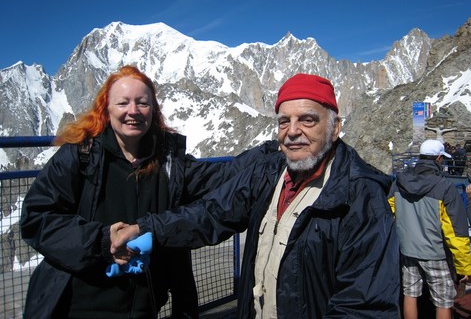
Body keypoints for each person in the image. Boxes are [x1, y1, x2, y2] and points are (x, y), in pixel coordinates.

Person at [111, 73, 401, 318]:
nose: (293, 131)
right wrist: (145, 228)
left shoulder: (361, 197)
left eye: (308, 120)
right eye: (284, 121)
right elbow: (211, 213)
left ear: (335, 128)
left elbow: (364, 306)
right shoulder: (270, 172)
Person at [20, 65, 275, 319]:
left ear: (153, 110)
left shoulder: (169, 163)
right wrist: (101, 241)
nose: (133, 111)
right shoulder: (80, 155)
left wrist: (274, 151)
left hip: (144, 307)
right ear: (106, 109)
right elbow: (37, 217)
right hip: (77, 306)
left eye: (142, 103)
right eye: (123, 103)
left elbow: (223, 176)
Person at [388, 139, 471, 319]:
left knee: (410, 294)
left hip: (408, 251)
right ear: (439, 159)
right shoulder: (445, 187)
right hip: (436, 253)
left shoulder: (399, 183)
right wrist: (464, 267)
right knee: (443, 301)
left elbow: (390, 213)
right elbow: (456, 232)